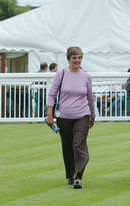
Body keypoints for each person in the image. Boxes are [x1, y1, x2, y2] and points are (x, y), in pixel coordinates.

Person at [46, 46, 95, 189]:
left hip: (82, 115)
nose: (77, 60)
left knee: (78, 144)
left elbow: (90, 97)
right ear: (69, 59)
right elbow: (52, 94)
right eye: (74, 58)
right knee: (67, 146)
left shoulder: (86, 76)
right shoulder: (61, 74)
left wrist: (93, 115)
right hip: (64, 117)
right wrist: (49, 114)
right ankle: (70, 174)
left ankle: (78, 175)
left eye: (79, 57)